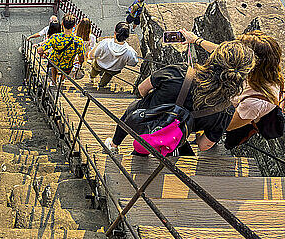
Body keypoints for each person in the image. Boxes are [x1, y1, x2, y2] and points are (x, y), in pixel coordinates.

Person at [104, 40, 255, 154]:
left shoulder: (180, 72)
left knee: (132, 111)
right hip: (171, 136)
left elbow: (142, 88)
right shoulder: (225, 111)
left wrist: (153, 102)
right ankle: (138, 156)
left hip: (144, 115)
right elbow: (204, 145)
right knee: (156, 142)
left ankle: (114, 145)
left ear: (214, 58)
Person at [180, 29, 284, 135]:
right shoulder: (266, 72)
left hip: (240, 122)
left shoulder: (254, 103)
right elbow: (223, 53)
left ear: (253, 61)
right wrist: (195, 39)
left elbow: (227, 125)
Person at [37, 15, 86, 85]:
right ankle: (61, 80)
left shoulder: (55, 37)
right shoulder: (79, 41)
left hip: (54, 61)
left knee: (54, 68)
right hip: (67, 64)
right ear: (74, 26)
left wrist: (43, 54)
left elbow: (40, 50)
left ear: (62, 24)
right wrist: (80, 63)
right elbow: (81, 58)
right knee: (66, 71)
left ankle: (54, 81)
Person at [90, 22, 138, 88]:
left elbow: (94, 55)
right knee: (107, 77)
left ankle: (92, 78)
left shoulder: (105, 43)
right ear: (127, 36)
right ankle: (101, 85)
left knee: (95, 70)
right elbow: (133, 63)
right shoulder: (130, 52)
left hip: (100, 64)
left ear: (115, 33)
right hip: (114, 69)